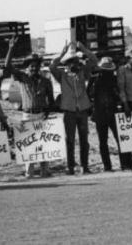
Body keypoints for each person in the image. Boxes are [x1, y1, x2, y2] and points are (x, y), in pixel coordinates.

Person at [5, 37, 54, 179]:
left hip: (41, 115)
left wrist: (47, 112)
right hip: (27, 115)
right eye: (31, 66)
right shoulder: (22, 78)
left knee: (44, 144)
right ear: (27, 67)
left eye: (36, 65)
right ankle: (29, 173)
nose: (33, 68)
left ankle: (45, 171)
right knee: (28, 145)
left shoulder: (46, 81)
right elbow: (8, 66)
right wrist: (11, 48)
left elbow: (51, 101)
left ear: (39, 66)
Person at [49, 42, 98, 175]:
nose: (76, 64)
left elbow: (94, 60)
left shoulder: (83, 74)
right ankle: (70, 168)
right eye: (72, 62)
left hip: (82, 112)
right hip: (69, 112)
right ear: (67, 65)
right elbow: (52, 66)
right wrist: (62, 53)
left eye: (77, 62)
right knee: (70, 141)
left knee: (84, 141)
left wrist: (83, 49)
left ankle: (85, 166)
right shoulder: (62, 76)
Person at [89, 57, 122, 172]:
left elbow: (118, 95)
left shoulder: (113, 79)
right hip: (101, 113)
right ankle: (107, 165)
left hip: (111, 112)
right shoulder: (95, 80)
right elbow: (90, 95)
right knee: (103, 142)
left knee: (119, 140)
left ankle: (123, 163)